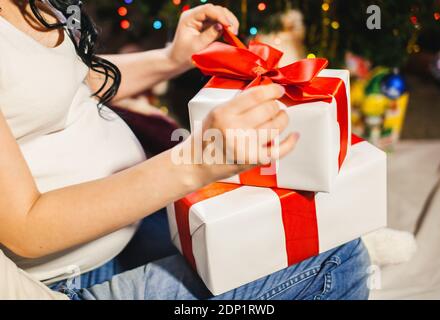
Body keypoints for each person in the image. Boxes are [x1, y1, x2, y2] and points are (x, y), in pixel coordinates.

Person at [0, 0, 370, 300]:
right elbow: (27, 228)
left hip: (129, 224)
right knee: (337, 256)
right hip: (66, 278)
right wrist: (197, 161)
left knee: (295, 223)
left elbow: (70, 82)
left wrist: (171, 58)